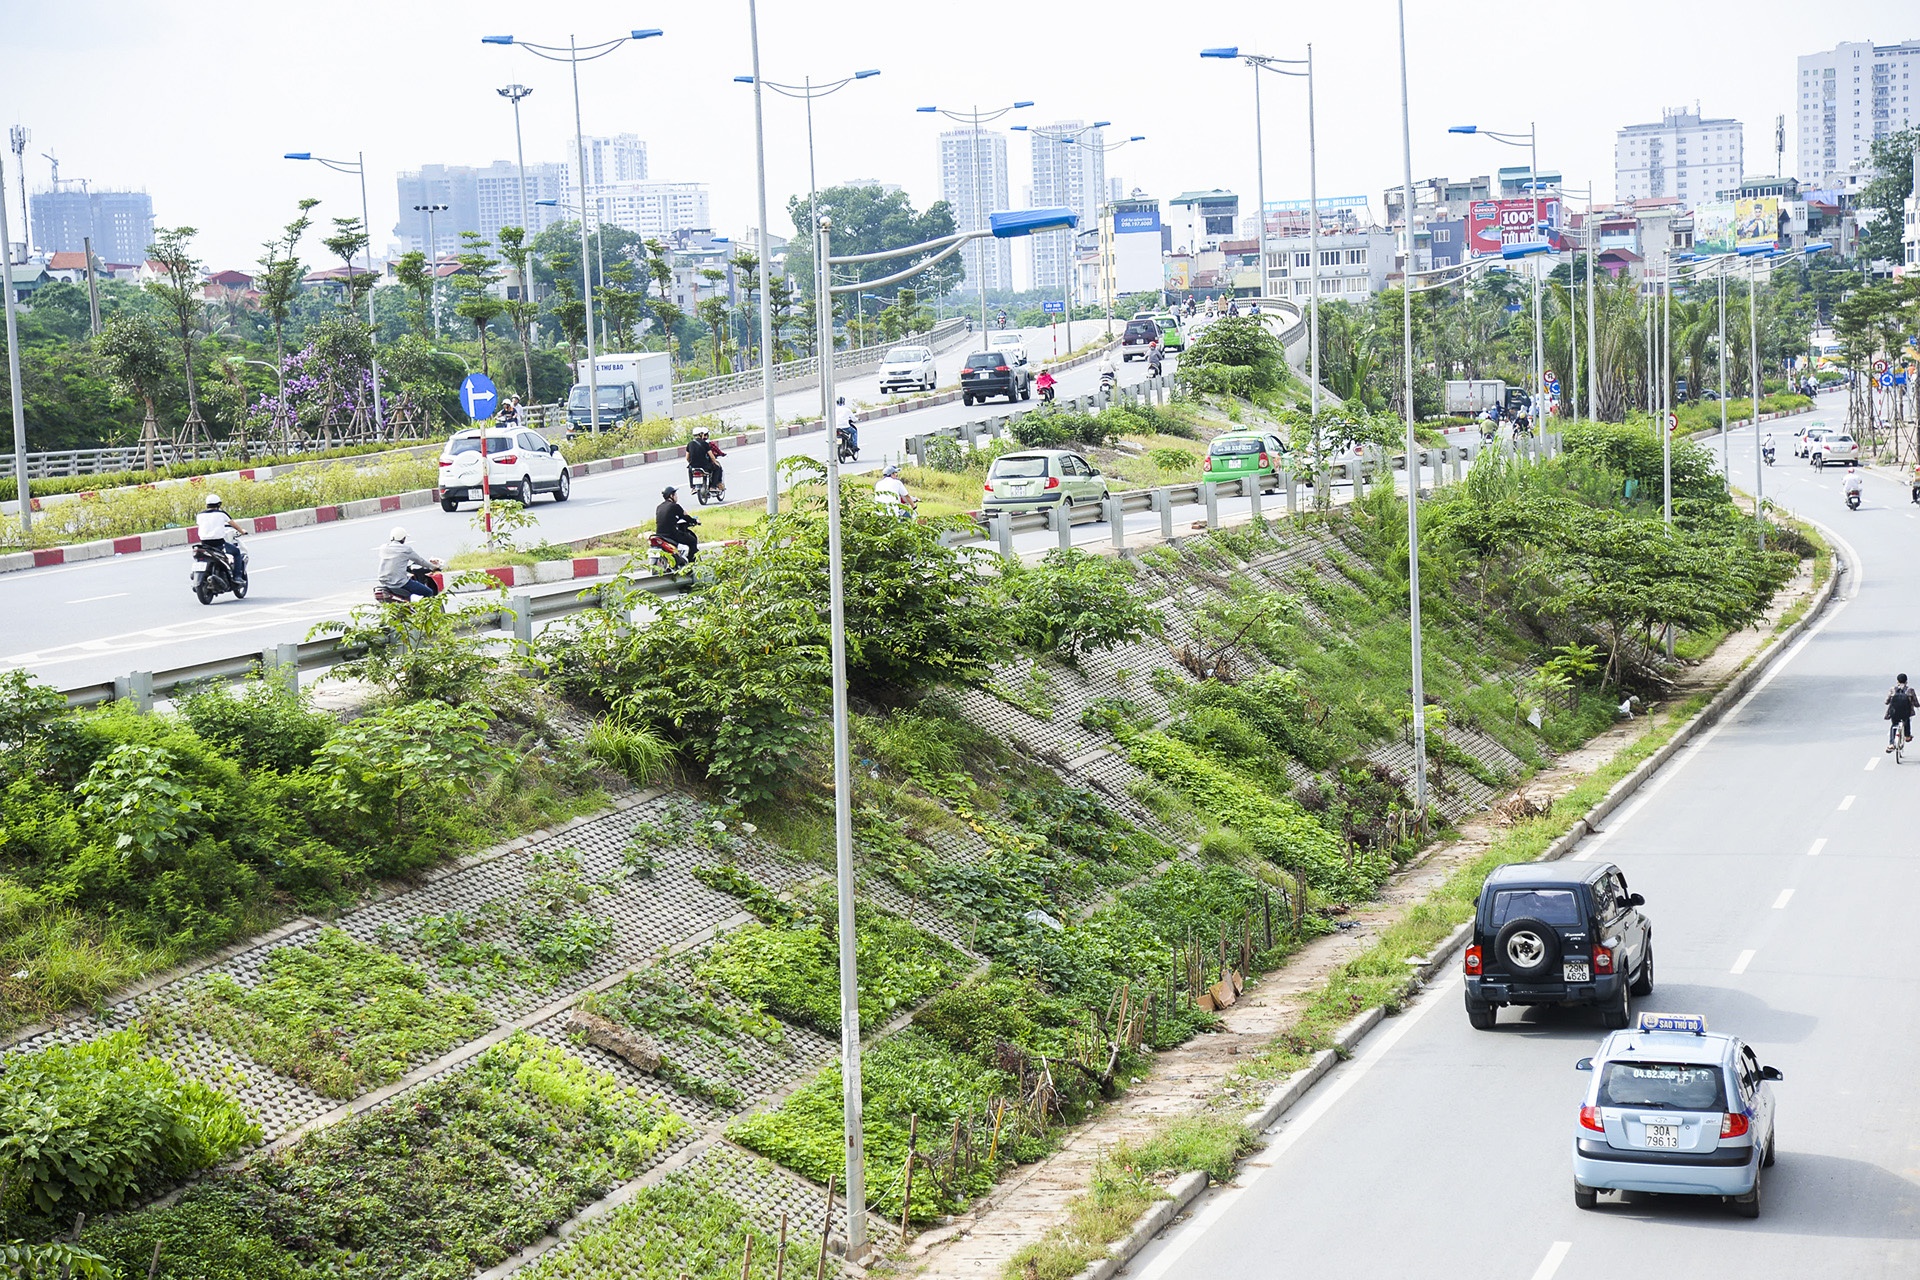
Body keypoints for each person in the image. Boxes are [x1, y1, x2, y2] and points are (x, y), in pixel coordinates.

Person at [377, 527, 440, 599]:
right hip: (399, 583)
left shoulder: (383, 548)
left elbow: (393, 561)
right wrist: (434, 567)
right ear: (403, 538)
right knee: (429, 592)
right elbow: (420, 561)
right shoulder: (405, 549)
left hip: (384, 583)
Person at [196, 494, 247, 581]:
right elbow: (234, 525)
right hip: (218, 543)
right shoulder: (222, 514)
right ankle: (237, 577)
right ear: (219, 504)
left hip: (204, 544)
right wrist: (242, 531)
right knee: (236, 552)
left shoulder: (199, 515)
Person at [655, 485, 699, 562]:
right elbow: (686, 517)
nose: (676, 497)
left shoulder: (659, 507)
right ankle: (691, 563)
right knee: (692, 541)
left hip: (659, 534)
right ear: (671, 496)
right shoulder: (675, 506)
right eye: (675, 495)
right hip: (671, 534)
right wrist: (695, 521)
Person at [686, 426, 725, 496]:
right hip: (705, 466)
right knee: (717, 468)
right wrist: (715, 462)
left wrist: (691, 463)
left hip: (694, 466)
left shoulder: (689, 444)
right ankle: (713, 487)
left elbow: (687, 458)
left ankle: (693, 487)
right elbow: (711, 456)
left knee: (690, 470)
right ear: (701, 434)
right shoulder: (705, 444)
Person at [1887, 674, 1916, 751]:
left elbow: (1886, 701)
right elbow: (1915, 702)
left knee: (1894, 725)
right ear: (1906, 681)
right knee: (1907, 720)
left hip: (1894, 712)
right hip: (1906, 712)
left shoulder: (1892, 689)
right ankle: (1907, 736)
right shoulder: (1910, 690)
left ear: (1897, 681)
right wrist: (1917, 705)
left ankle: (1891, 744)